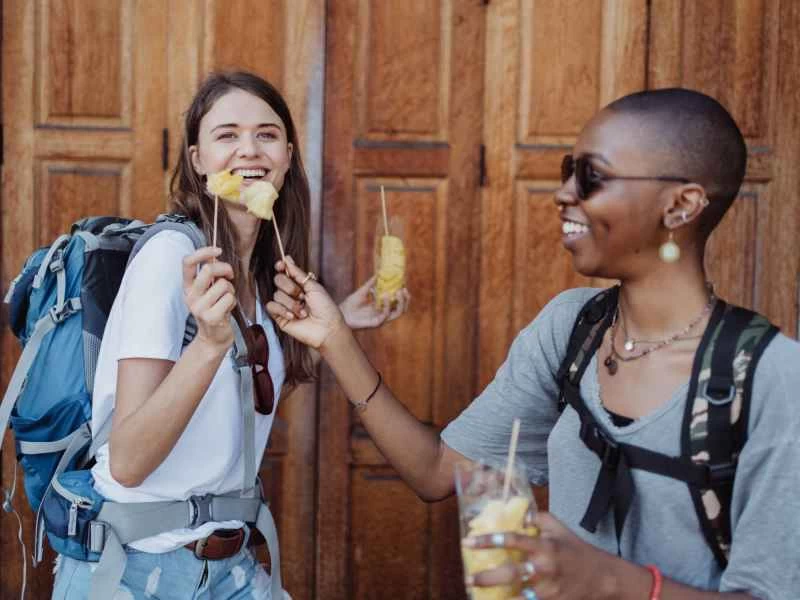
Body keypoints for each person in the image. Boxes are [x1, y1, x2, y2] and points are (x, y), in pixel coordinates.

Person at [267, 88, 800, 599]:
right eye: (570, 171)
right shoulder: (571, 328)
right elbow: (435, 472)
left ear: (681, 206)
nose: (563, 193)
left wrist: (609, 582)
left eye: (592, 177)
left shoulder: (771, 377)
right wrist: (335, 338)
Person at [51, 71, 408, 600]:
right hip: (135, 569)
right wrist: (210, 345)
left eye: (267, 134)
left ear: (288, 156)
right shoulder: (171, 259)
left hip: (229, 566)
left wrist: (340, 323)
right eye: (227, 135)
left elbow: (231, 406)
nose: (250, 150)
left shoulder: (263, 277)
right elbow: (127, 462)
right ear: (197, 160)